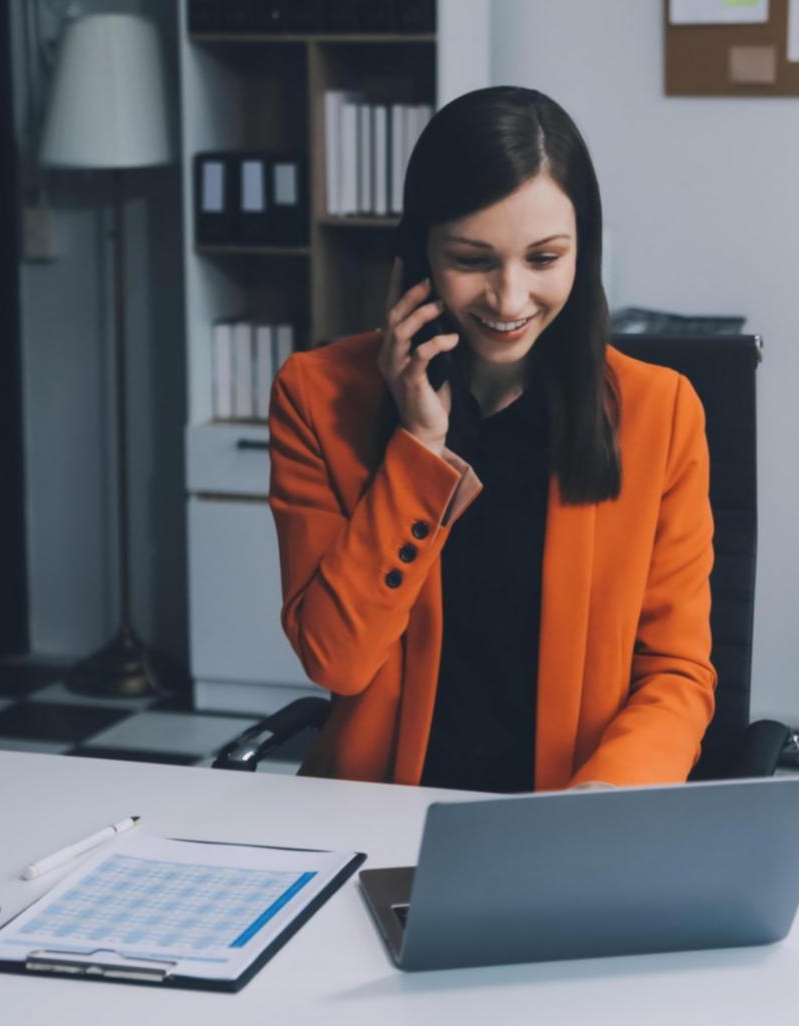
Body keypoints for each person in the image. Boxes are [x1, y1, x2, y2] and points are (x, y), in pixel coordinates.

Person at [267, 86, 715, 793]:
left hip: (569, 820)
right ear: (419, 256)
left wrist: (610, 792)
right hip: (378, 812)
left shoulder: (659, 412)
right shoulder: (318, 396)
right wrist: (418, 442)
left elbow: (676, 672)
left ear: (581, 252)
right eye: (473, 260)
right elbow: (335, 660)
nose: (509, 301)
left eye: (543, 259)